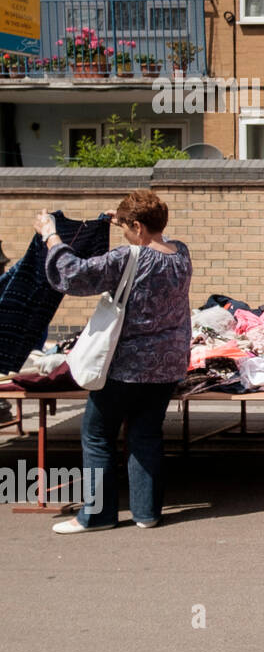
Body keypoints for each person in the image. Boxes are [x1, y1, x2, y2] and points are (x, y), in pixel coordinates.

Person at [41, 191, 192, 533]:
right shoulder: (181, 254)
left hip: (124, 366)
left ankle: (97, 515)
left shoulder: (127, 257)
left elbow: (74, 274)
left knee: (97, 435)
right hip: (166, 365)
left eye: (126, 226)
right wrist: (124, 219)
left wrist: (51, 235)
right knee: (146, 436)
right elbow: (159, 241)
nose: (122, 231)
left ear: (137, 226)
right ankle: (147, 513)